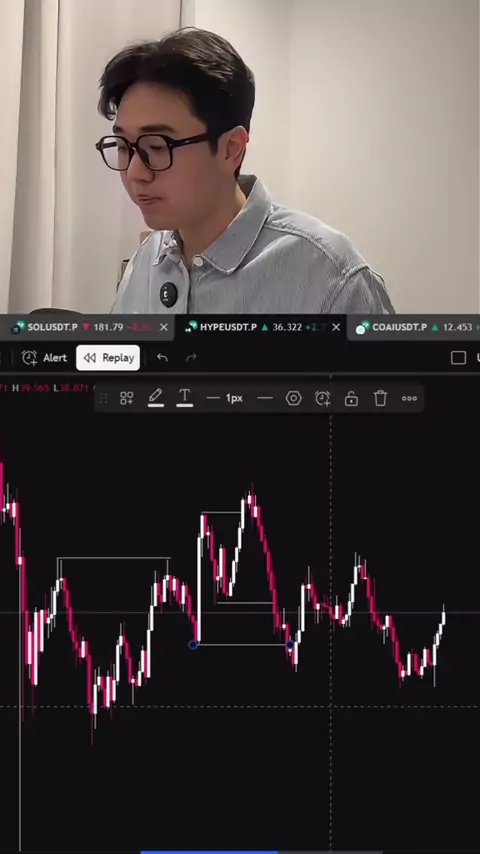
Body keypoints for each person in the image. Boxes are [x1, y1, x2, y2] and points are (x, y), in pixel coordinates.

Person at [97, 28, 394, 314]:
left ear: (231, 149)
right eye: (123, 146)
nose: (134, 173)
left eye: (157, 146)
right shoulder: (147, 261)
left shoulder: (331, 278)